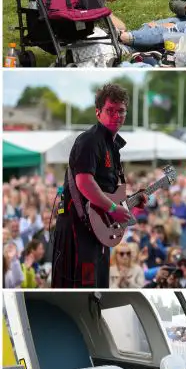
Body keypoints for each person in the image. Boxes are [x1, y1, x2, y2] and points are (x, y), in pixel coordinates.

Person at [52, 84, 137, 288]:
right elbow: (84, 182)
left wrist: (130, 203)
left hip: (98, 228)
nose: (117, 115)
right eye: (110, 110)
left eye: (121, 110)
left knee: (96, 289)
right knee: (80, 289)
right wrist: (113, 209)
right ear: (98, 112)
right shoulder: (90, 140)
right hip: (77, 228)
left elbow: (108, 190)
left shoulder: (113, 145)